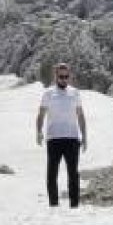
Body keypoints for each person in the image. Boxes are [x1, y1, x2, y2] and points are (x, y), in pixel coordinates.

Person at [35, 62, 87, 207]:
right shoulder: (48, 93)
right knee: (52, 174)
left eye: (66, 76)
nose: (64, 79)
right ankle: (54, 205)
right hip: (54, 139)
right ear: (56, 76)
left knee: (73, 174)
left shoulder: (75, 93)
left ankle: (74, 206)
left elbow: (81, 115)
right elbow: (41, 114)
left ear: (69, 76)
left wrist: (85, 136)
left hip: (72, 138)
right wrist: (38, 132)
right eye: (61, 76)